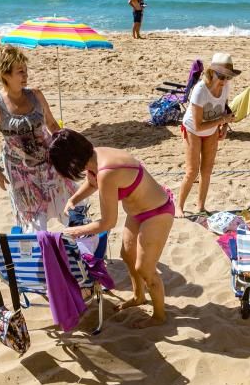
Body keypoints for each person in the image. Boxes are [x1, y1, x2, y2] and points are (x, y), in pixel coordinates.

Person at [49, 129, 175, 329]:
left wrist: (77, 231)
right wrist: (74, 199)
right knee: (127, 255)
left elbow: (108, 223)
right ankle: (138, 296)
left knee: (145, 268)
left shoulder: (107, 172)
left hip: (157, 212)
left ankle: (159, 316)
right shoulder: (94, 157)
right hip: (137, 212)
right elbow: (92, 182)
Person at [0, 46, 76, 231]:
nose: (25, 76)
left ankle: (83, 253)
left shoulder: (35, 95)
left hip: (49, 163)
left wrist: (66, 150)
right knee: (34, 224)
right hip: (21, 172)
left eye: (26, 70)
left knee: (71, 211)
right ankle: (41, 257)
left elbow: (51, 125)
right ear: (5, 74)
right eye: (20, 72)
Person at [176, 53, 241, 218]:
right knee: (192, 171)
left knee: (207, 170)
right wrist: (222, 120)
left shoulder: (225, 86)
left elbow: (224, 106)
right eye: (221, 76)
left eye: (228, 77)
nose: (225, 81)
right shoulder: (200, 90)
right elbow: (198, 125)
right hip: (193, 129)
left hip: (211, 129)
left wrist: (225, 125)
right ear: (212, 72)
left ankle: (200, 206)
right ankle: (179, 206)